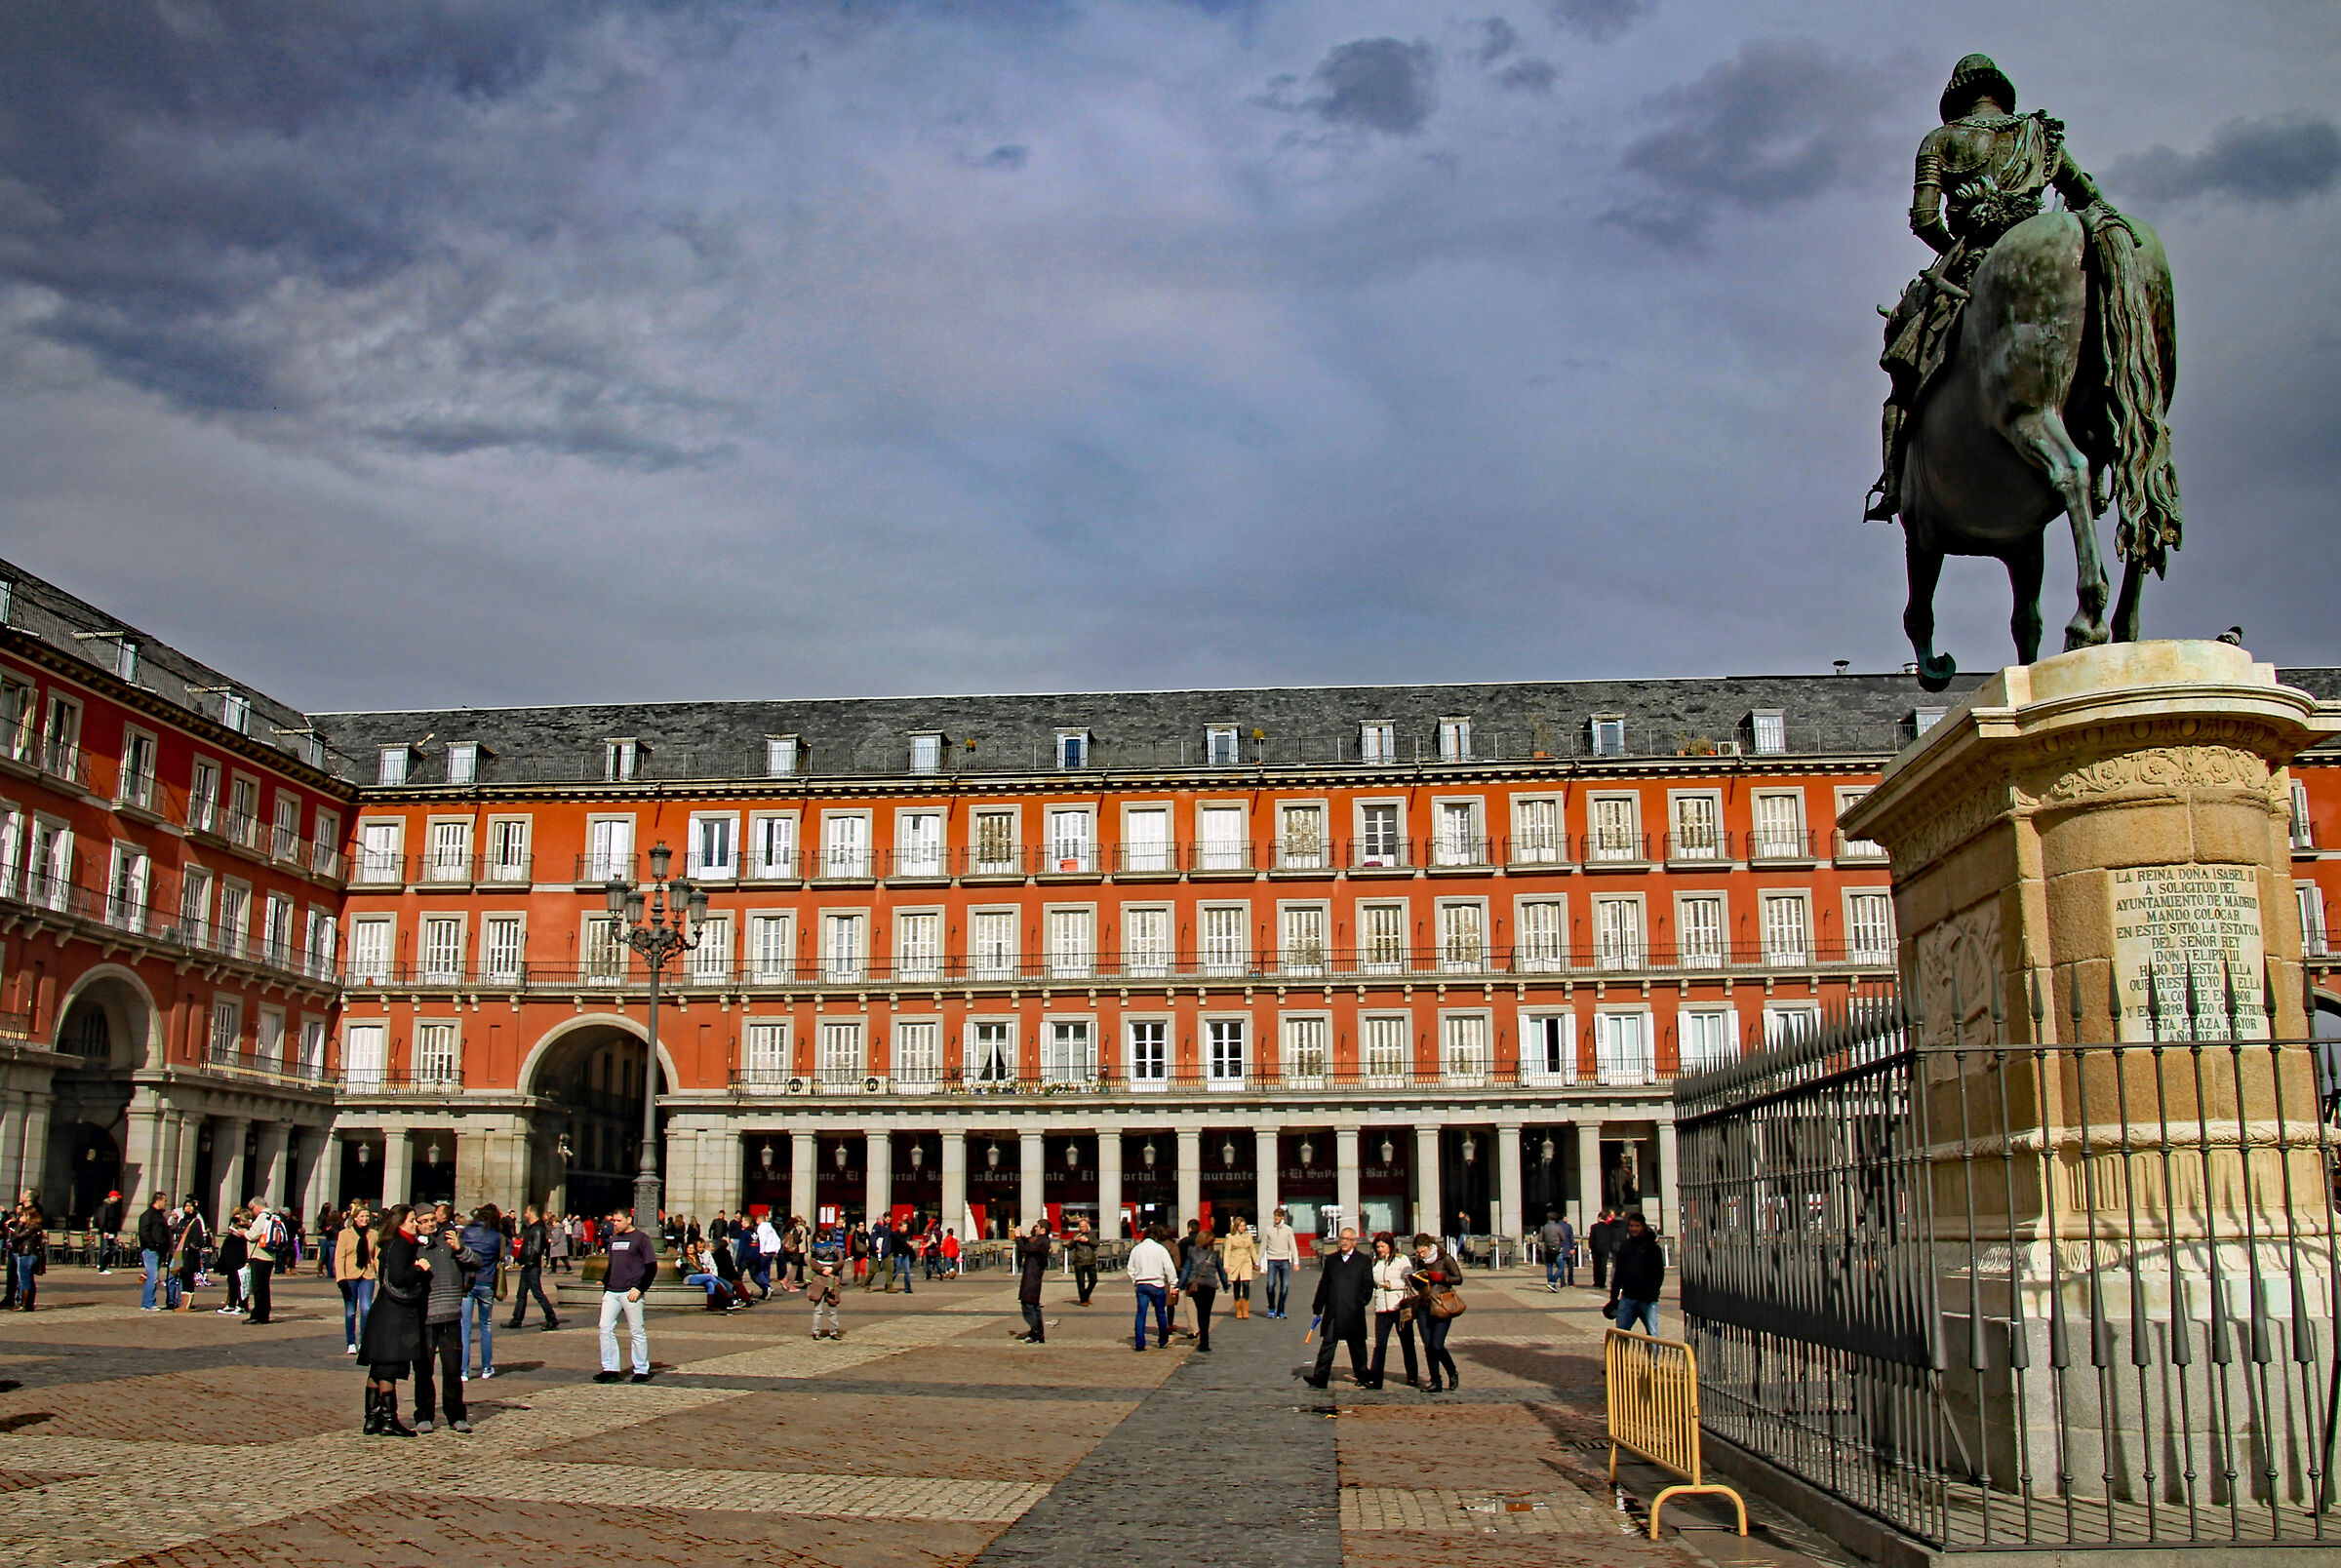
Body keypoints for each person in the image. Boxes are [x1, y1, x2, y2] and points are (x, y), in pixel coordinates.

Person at [1866, 54, 2112, 522]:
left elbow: (1923, 220)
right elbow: (2090, 200)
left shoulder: (1942, 139)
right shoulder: (2041, 136)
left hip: (1973, 259)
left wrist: (1960, 245)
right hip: (2045, 262)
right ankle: (2101, 462)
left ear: (1957, 97)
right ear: (2001, 93)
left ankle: (1894, 484)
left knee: (1903, 373)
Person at [357, 1204, 427, 1436]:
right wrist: (419, 1269)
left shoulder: (389, 1243)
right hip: (394, 1313)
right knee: (388, 1366)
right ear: (399, 1223)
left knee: (378, 1366)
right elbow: (399, 1277)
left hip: (384, 1310)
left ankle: (372, 1417)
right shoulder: (401, 1245)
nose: (415, 1224)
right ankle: (388, 1419)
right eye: (411, 1220)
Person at [414, 1206, 482, 1432]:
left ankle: (455, 1415)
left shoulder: (449, 1241)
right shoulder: (414, 1246)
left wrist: (459, 1248)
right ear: (416, 1223)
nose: (430, 1224)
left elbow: (476, 1262)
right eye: (424, 1221)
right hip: (425, 1315)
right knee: (424, 1369)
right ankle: (424, 1415)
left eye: (433, 1219)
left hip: (451, 1314)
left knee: (452, 1369)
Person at [1304, 1226, 1373, 1390]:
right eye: (1342, 1239)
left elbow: (1368, 1285)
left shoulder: (1363, 1261)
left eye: (1348, 1239)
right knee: (1328, 1344)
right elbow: (1324, 1285)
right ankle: (1320, 1377)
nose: (1344, 1242)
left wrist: (1361, 1301)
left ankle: (1362, 1376)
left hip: (1353, 1311)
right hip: (1334, 1310)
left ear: (1354, 1242)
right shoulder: (1332, 1260)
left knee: (1357, 1346)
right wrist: (1317, 1308)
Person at [597, 1208, 656, 1383]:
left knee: (637, 1330)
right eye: (613, 1221)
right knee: (605, 1328)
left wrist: (640, 1288)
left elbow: (651, 1267)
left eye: (618, 1221)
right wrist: (606, 1286)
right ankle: (610, 1368)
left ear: (629, 1220)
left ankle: (641, 1369)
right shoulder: (614, 1239)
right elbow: (611, 1265)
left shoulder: (641, 1239)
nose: (614, 1224)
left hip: (631, 1291)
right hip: (612, 1291)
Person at [1406, 1233, 1465, 1393]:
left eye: (1422, 1252)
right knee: (1428, 1346)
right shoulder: (1419, 1262)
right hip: (1424, 1305)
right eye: (1418, 1253)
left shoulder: (1445, 1259)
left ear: (1430, 1247)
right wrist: (1415, 1281)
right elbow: (1421, 1285)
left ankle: (1451, 1371)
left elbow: (1458, 1278)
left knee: (1437, 1344)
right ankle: (1435, 1381)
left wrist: (1440, 1277)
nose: (1420, 1255)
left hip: (1441, 1305)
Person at [457, 1204, 504, 1378]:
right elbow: (500, 1257)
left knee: (465, 1328)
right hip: (487, 1282)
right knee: (486, 1326)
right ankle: (486, 1367)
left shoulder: (467, 1232)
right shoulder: (496, 1237)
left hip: (468, 1282)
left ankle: (463, 1370)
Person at [1367, 1233, 1417, 1391]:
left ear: (1390, 1246)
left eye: (1383, 1246)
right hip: (1382, 1307)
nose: (1380, 1250)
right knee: (1380, 1344)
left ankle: (1412, 1376)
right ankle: (1376, 1378)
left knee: (1407, 1343)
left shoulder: (1401, 1259)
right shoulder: (1375, 1262)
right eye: (1378, 1247)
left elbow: (1410, 1279)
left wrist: (1393, 1284)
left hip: (1399, 1306)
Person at [1607, 1210, 1665, 1336]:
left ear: (1643, 1226)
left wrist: (1652, 1293)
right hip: (1628, 1297)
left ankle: (1653, 1356)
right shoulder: (1625, 1247)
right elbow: (1619, 1273)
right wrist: (1613, 1297)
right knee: (1621, 1333)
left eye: (1637, 1226)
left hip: (1648, 1299)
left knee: (1653, 1334)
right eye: (1631, 1226)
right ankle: (1620, 1356)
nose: (1634, 1229)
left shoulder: (1653, 1248)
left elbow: (1658, 1273)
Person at [334, 1200, 377, 1352]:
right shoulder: (345, 1234)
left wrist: (381, 1274)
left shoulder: (373, 1234)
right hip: (350, 1275)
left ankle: (363, 1341)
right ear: (355, 1218)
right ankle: (350, 1342)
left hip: (367, 1273)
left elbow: (376, 1256)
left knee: (366, 1308)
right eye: (362, 1216)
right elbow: (339, 1257)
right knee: (350, 1311)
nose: (365, 1219)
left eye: (367, 1216)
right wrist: (341, 1278)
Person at [507, 1204, 560, 1330]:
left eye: (526, 1212)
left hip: (532, 1267)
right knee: (521, 1294)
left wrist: (529, 1262)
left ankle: (552, 1318)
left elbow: (536, 1249)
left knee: (538, 1293)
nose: (525, 1215)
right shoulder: (531, 1228)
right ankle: (516, 1319)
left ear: (531, 1213)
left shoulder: (537, 1229)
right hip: (528, 1266)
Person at [1176, 1223, 1227, 1352]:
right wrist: (1225, 1285)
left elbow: (1186, 1269)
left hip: (1196, 1286)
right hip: (1209, 1285)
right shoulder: (1215, 1254)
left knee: (1200, 1312)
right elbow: (1221, 1271)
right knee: (1206, 1313)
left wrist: (1180, 1285)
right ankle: (1205, 1340)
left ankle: (1203, 1340)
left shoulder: (1192, 1252)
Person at [1127, 1224, 1177, 1352]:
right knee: (1160, 1313)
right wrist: (1173, 1283)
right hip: (1157, 1284)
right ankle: (1163, 1340)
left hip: (1142, 1284)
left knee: (1141, 1314)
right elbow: (1169, 1268)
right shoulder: (1160, 1249)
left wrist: (1135, 1280)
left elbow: (1130, 1268)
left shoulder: (1137, 1249)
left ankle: (1139, 1343)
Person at [240, 1199, 287, 1325]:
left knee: (258, 1287)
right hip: (269, 1256)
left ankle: (258, 1315)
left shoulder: (262, 1217)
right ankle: (264, 1313)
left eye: (252, 1208)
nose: (252, 1211)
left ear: (256, 1206)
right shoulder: (274, 1216)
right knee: (264, 1286)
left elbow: (253, 1235)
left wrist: (244, 1233)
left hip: (259, 1256)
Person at [1012, 1220, 1051, 1344]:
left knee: (1028, 1304)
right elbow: (1028, 1242)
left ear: (1043, 1230)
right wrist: (1022, 1236)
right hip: (1032, 1275)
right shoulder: (1040, 1240)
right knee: (1034, 1305)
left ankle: (1036, 1332)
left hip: (1033, 1276)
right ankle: (1039, 1333)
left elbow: (1026, 1248)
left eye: (1038, 1227)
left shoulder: (1042, 1241)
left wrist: (1018, 1238)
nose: (1035, 1229)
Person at [138, 1193, 177, 1311]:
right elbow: (144, 1232)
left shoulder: (159, 1215)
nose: (166, 1203)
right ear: (158, 1200)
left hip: (159, 1250)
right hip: (151, 1250)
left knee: (153, 1276)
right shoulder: (148, 1215)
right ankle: (149, 1303)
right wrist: (152, 1245)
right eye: (165, 1201)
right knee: (153, 1276)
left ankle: (147, 1302)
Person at [806, 1224, 846, 1339]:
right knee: (818, 1308)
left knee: (832, 1307)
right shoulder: (822, 1248)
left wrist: (832, 1268)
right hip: (819, 1281)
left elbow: (840, 1262)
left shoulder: (835, 1249)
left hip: (832, 1280)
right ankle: (816, 1331)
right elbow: (813, 1263)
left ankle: (834, 1331)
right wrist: (823, 1270)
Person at [1259, 1207, 1299, 1319]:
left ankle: (1281, 1310)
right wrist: (1257, 1261)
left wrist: (1296, 1261)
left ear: (1282, 1217)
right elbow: (1263, 1245)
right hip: (1272, 1259)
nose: (1276, 1218)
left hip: (1284, 1260)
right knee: (1270, 1285)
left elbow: (1293, 1246)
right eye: (1275, 1216)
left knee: (1284, 1286)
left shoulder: (1288, 1230)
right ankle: (1272, 1307)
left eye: (1278, 1216)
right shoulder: (1268, 1229)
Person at [171, 1197, 207, 1310]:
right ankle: (181, 1302)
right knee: (179, 1275)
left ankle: (186, 1304)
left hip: (188, 1254)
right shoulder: (182, 1221)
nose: (188, 1208)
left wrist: (192, 1247)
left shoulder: (196, 1222)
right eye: (186, 1206)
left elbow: (199, 1240)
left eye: (190, 1206)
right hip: (179, 1253)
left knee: (187, 1278)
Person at [1220, 1216, 1258, 1320]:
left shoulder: (1248, 1236)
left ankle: (1245, 1309)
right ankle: (1238, 1309)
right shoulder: (1230, 1236)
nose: (1242, 1228)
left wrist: (1256, 1261)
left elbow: (1252, 1249)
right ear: (1236, 1227)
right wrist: (1226, 1265)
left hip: (1246, 1261)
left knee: (1246, 1284)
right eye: (1240, 1226)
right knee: (1236, 1286)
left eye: (1244, 1226)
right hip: (1234, 1262)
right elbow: (1227, 1251)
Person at [216, 1205, 249, 1315]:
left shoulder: (248, 1228)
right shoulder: (233, 1227)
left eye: (242, 1220)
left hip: (240, 1257)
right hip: (231, 1258)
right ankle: (231, 1303)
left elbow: (248, 1237)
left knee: (241, 1282)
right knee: (232, 1281)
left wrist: (243, 1229)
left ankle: (242, 1305)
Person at [1539, 1211, 1574, 1292]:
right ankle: (1552, 1281)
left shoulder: (1544, 1227)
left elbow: (1540, 1239)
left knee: (1549, 1266)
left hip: (1548, 1249)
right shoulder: (1558, 1227)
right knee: (1561, 1267)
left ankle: (1550, 1281)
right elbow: (1563, 1238)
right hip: (1557, 1249)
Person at [1067, 1220, 1098, 1306]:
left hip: (1090, 1260)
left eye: (1084, 1226)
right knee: (1080, 1282)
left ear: (1087, 1226)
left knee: (1093, 1280)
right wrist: (1074, 1240)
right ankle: (1083, 1300)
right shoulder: (1076, 1235)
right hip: (1079, 1261)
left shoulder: (1092, 1234)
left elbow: (1096, 1244)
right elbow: (1069, 1246)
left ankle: (1086, 1295)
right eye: (1081, 1226)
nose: (1082, 1228)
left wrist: (1087, 1240)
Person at [1588, 1208, 1617, 1291]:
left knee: (1596, 1265)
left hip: (1596, 1248)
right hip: (1605, 1248)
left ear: (1599, 1217)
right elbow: (1610, 1238)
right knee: (1603, 1265)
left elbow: (1591, 1238)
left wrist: (1591, 1247)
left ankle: (1596, 1281)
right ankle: (1602, 1282)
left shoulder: (1594, 1227)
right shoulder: (1608, 1227)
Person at [94, 1190, 123, 1274]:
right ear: (112, 1197)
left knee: (112, 1248)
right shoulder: (105, 1207)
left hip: (111, 1232)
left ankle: (102, 1264)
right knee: (106, 1249)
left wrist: (115, 1233)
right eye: (117, 1197)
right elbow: (103, 1219)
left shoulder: (112, 1207)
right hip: (106, 1232)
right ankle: (102, 1267)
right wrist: (104, 1230)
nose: (118, 1199)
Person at [752, 1212, 780, 1297]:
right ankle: (767, 1286)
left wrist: (761, 1251)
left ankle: (766, 1286)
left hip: (765, 1252)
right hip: (771, 1251)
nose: (756, 1222)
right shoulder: (771, 1228)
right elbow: (777, 1239)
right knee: (766, 1270)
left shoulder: (761, 1228)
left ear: (760, 1220)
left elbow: (762, 1239)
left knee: (760, 1271)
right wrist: (776, 1250)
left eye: (757, 1220)